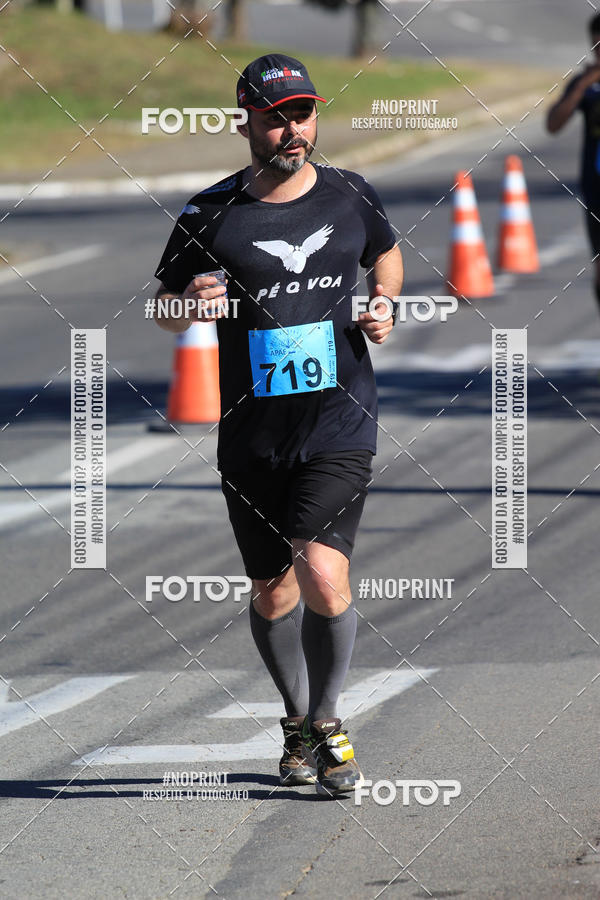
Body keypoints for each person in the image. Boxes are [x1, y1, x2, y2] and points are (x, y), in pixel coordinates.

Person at [153, 52, 403, 797]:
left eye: (304, 114)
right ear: (247, 122)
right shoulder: (209, 214)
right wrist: (187, 305)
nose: (294, 130)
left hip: (340, 420)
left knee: (321, 571)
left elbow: (387, 259)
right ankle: (295, 719)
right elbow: (163, 310)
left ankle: (327, 722)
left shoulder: (351, 196)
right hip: (253, 434)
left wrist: (384, 305)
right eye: (278, 117)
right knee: (272, 588)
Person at [547, 12, 600, 311]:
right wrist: (583, 85)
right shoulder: (586, 84)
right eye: (596, 45)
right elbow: (553, 124)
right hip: (596, 188)